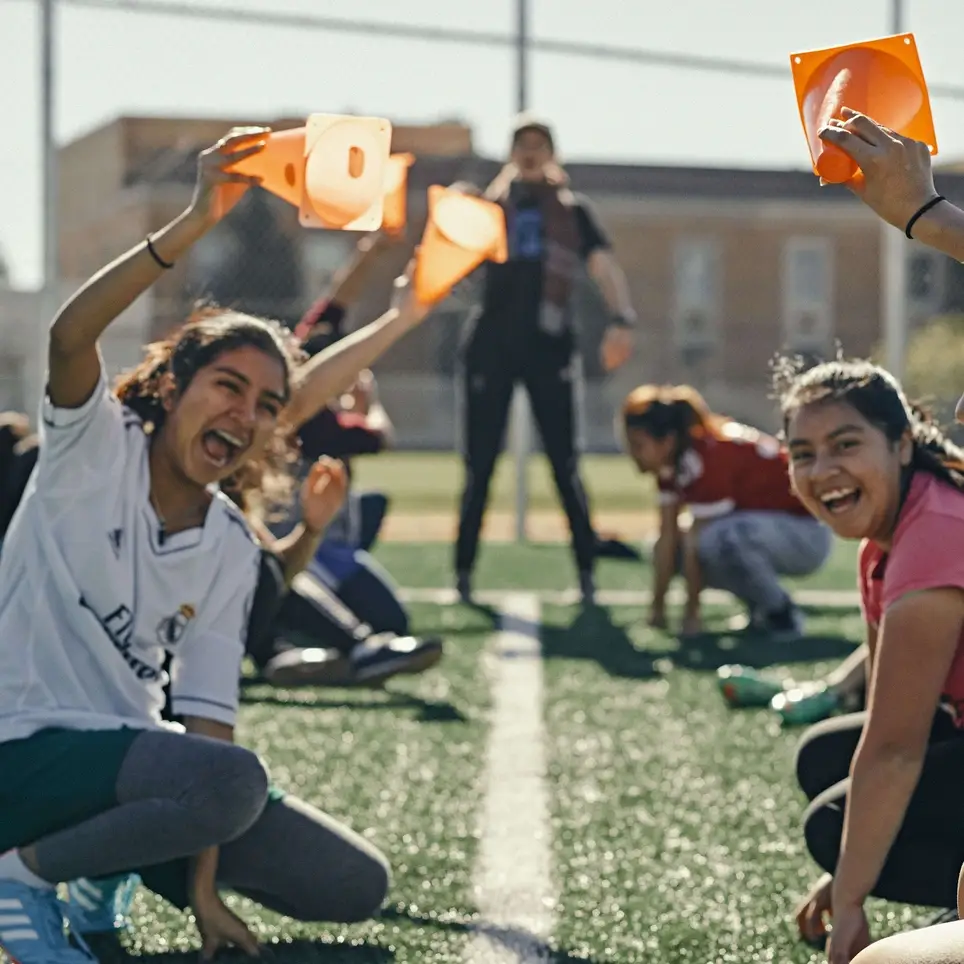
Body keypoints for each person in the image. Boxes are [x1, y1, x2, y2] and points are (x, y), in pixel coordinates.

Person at [0, 126, 434, 964]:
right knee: (228, 785)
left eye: (265, 405)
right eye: (226, 386)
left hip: (135, 779)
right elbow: (67, 335)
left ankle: (98, 867)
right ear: (169, 387)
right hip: (18, 760)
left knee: (351, 884)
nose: (245, 413)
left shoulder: (232, 544)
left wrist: (204, 897)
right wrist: (195, 223)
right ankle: (18, 879)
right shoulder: (95, 449)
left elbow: (207, 727)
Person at [775, 356, 964, 963]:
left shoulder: (935, 531)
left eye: (845, 444)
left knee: (832, 826)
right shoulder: (888, 532)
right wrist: (857, 868)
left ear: (902, 443)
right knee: (825, 754)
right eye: (803, 453)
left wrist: (851, 892)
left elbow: (895, 749)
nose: (822, 470)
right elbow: (888, 707)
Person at [453, 113, 639, 606]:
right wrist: (455, 214)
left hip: (548, 342)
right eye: (522, 144)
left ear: (552, 152)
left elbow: (603, 266)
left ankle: (585, 573)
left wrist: (622, 318)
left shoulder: (573, 212)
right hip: (491, 344)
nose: (530, 152)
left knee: (564, 462)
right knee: (479, 465)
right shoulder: (490, 208)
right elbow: (452, 261)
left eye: (539, 144)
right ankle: (464, 574)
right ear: (511, 152)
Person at [620, 383, 832, 640]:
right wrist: (657, 612)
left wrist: (691, 615)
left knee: (716, 539)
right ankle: (760, 609)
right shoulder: (674, 462)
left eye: (638, 444)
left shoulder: (709, 454)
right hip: (767, 530)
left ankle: (780, 612)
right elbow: (667, 538)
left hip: (806, 535)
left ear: (667, 441)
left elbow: (695, 543)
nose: (632, 454)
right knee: (665, 547)